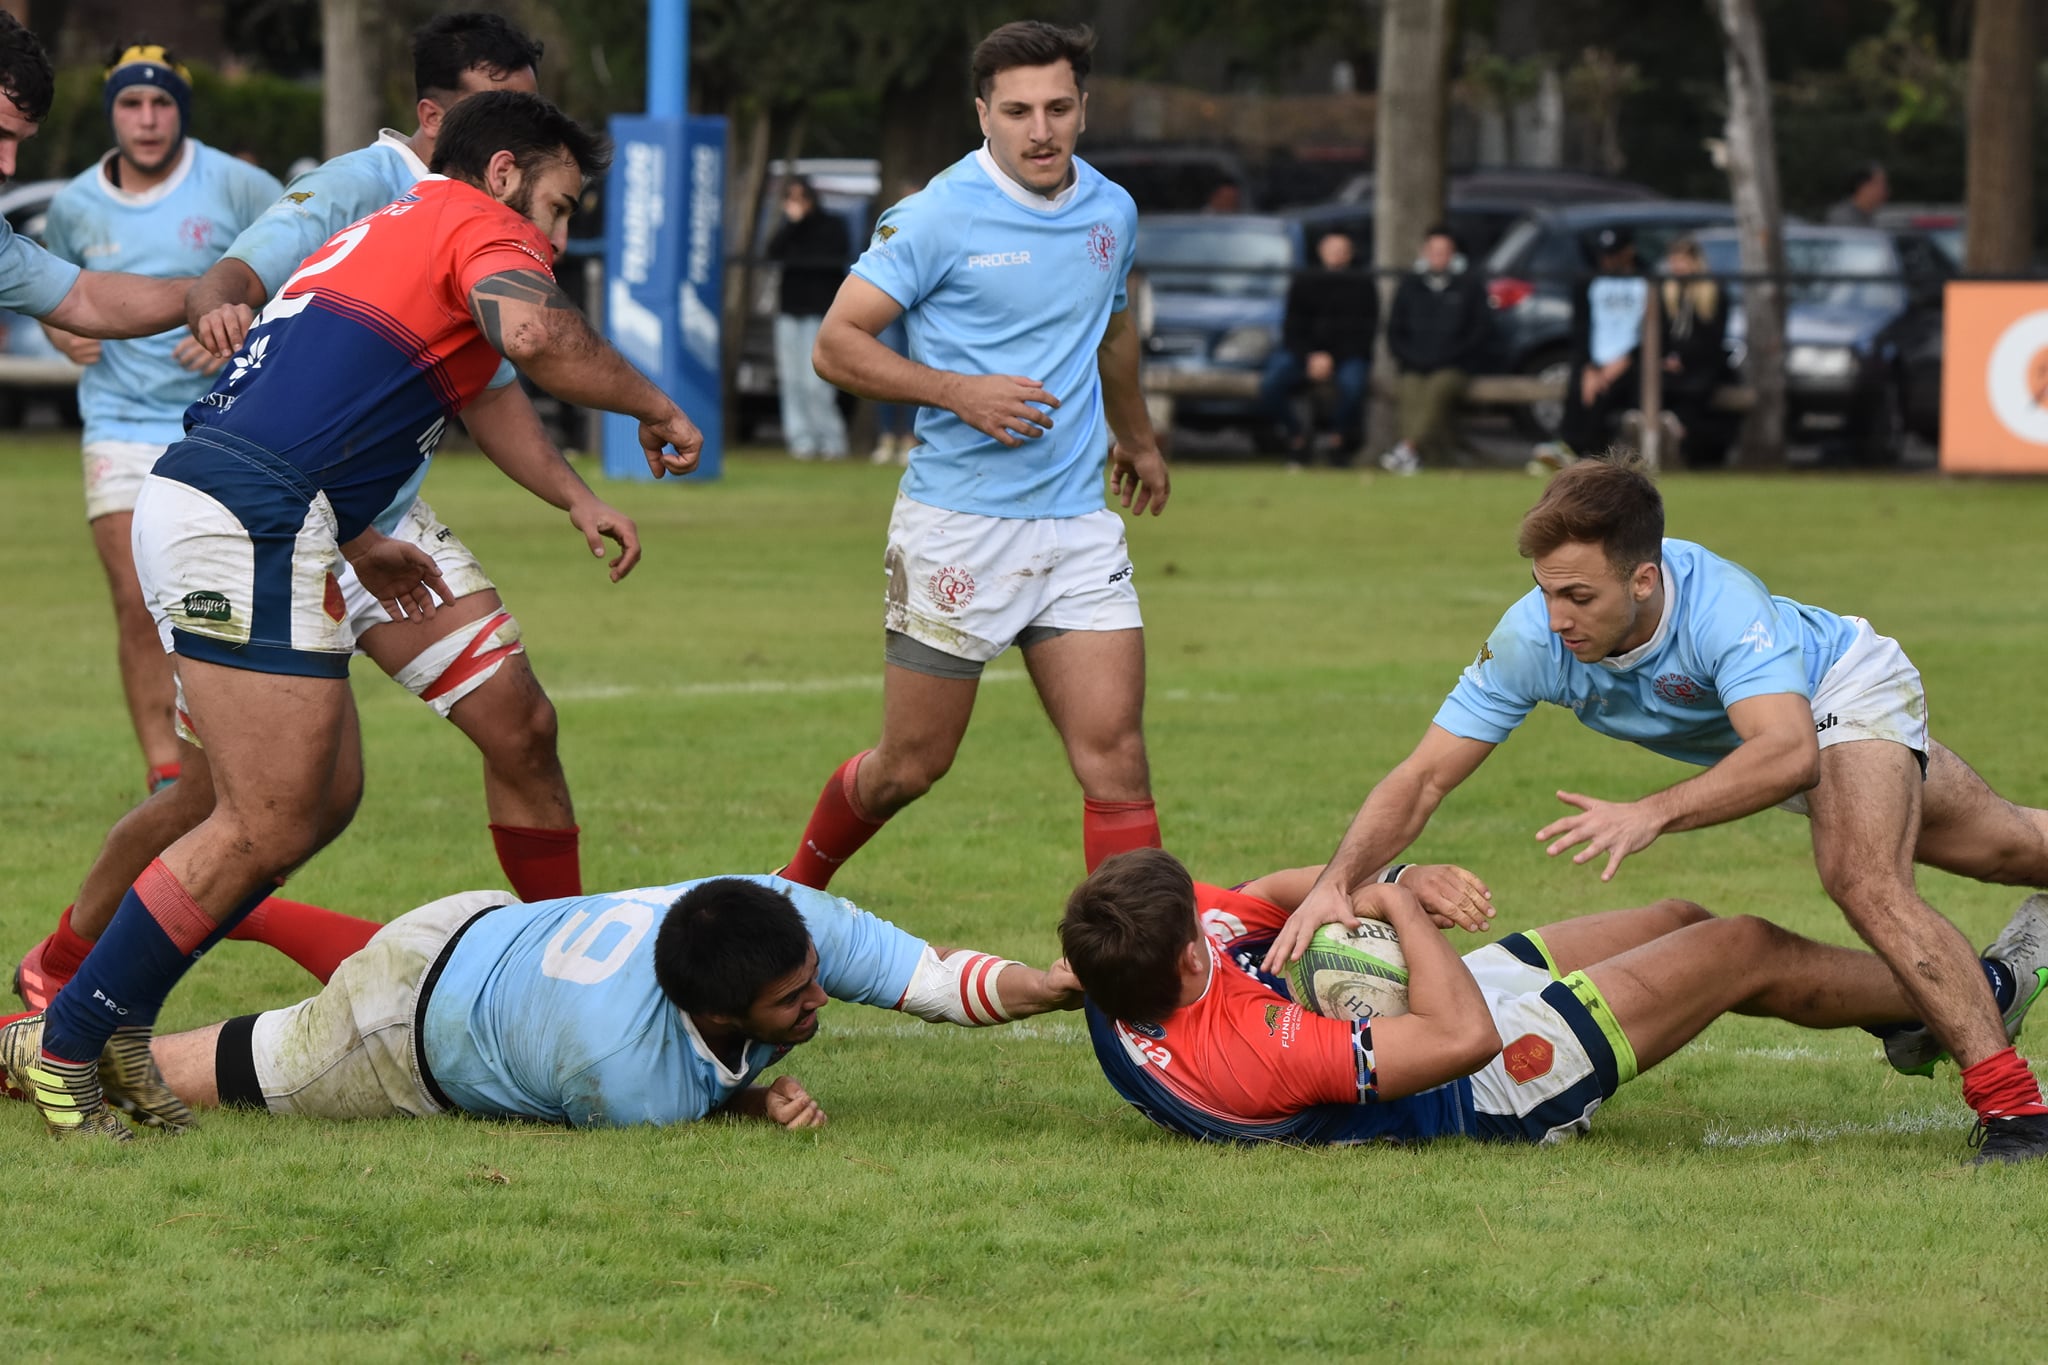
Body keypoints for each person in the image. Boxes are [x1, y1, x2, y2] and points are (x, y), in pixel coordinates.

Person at [7, 90, 704, 1144]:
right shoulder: (472, 219)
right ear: (506, 171)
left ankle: (105, 1025)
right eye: (559, 208)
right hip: (247, 515)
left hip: (265, 503)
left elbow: (320, 388)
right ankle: (67, 1035)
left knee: (320, 798)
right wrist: (657, 403)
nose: (554, 239)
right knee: (261, 815)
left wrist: (354, 521)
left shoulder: (388, 230)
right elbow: (535, 334)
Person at [1264, 457, 2048, 1163]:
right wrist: (1341, 878)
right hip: (1779, 738)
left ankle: (2017, 1112)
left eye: (1579, 595)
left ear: (1643, 580)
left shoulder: (1719, 609)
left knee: (1862, 877)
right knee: (2005, 846)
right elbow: (1424, 776)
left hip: (1839, 689)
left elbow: (1788, 752)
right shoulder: (1532, 640)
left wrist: (1652, 812)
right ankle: (1940, 1003)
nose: (1557, 618)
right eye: (1544, 592)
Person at [780, 20, 1169, 891]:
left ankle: (1132, 985)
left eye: (1059, 108)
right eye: (1020, 110)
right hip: (959, 528)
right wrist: (959, 390)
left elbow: (1112, 329)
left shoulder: (1111, 209)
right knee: (910, 767)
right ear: (983, 113)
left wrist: (1136, 436)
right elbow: (837, 345)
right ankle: (793, 887)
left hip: (1075, 529)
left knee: (1116, 762)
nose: (1042, 129)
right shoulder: (936, 216)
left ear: (1082, 108)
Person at [1060, 849, 2048, 1163]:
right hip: (1481, 1079)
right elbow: (1457, 1039)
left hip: (1417, 1004)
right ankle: (1976, 998)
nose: (1209, 913)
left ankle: (1909, 1013)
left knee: (1676, 916)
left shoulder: (1122, 962)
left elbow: (1280, 897)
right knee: (1738, 946)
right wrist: (1399, 906)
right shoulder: (1253, 1050)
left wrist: (1377, 874)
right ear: (1193, 970)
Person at [0, 875, 1080, 1133]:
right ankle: (25, 1049)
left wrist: (1050, 986)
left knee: (352, 969)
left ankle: (259, 912)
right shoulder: (627, 1076)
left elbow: (932, 981)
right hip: (398, 1032)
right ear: (711, 1010)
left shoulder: (783, 914)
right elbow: (699, 1099)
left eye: (813, 980)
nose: (819, 1001)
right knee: (188, 1071)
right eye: (794, 1001)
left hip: (471, 927)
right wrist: (752, 1105)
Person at [39, 44, 283, 795]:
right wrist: (62, 333)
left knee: (215, 603)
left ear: (182, 109)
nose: (147, 120)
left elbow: (309, 268)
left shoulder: (239, 186)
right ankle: (167, 776)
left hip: (219, 423)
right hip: (116, 422)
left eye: (162, 103)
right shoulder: (76, 204)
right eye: (130, 104)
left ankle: (234, 760)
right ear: (112, 113)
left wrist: (239, 325)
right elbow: (52, 295)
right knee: (133, 599)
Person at [0, 17, 202, 355]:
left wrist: (221, 290)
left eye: (21, 142)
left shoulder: (242, 184)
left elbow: (84, 298)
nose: (9, 165)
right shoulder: (77, 197)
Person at [1380, 223, 1492, 476]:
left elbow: (1479, 331)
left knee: (1438, 389)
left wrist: (1447, 356)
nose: (1438, 257)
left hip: (1454, 365)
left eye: (1444, 251)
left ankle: (1407, 449)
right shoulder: (1410, 285)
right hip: (1415, 364)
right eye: (1434, 251)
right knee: (1409, 390)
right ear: (1424, 252)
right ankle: (1415, 454)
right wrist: (1413, 357)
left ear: (1453, 254)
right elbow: (1394, 332)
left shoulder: (1469, 285)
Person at [1257, 229, 1375, 466]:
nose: (1336, 255)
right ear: (1321, 251)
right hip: (1304, 354)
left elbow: (1365, 332)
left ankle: (1337, 437)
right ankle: (1297, 435)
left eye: (1342, 250)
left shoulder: (1362, 285)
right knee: (1270, 384)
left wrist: (1332, 357)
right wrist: (1311, 356)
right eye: (1332, 249)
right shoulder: (1303, 282)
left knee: (1354, 385)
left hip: (1346, 355)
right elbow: (1292, 328)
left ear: (1350, 254)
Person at [1540, 225, 1645, 468]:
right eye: (1605, 254)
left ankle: (1586, 456)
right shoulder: (1590, 282)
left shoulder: (1646, 281)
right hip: (1595, 360)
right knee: (1580, 387)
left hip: (1630, 361)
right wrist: (1589, 367)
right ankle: (1570, 448)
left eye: (1614, 254)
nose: (1608, 260)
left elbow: (1653, 332)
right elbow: (1581, 330)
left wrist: (1626, 359)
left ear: (1628, 252)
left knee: (1606, 395)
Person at [765, 175, 851, 461]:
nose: (796, 204)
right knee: (792, 381)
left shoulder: (832, 225)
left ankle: (831, 441)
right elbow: (771, 252)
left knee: (817, 382)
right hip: (789, 312)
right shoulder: (790, 229)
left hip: (819, 312)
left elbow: (833, 258)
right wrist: (792, 224)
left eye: (800, 197)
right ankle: (800, 441)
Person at [1654, 236, 1731, 468]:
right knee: (1654, 382)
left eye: (1683, 261)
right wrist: (1666, 358)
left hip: (1701, 364)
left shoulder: (1713, 293)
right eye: (1674, 261)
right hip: (1670, 363)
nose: (1678, 267)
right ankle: (1663, 433)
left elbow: (1713, 338)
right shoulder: (1665, 292)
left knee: (1696, 388)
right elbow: (1659, 334)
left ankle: (1678, 438)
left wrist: (1683, 358)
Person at [1825, 162, 1887, 228]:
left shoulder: (1870, 216)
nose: (1885, 190)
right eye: (1879, 185)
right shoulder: (1841, 217)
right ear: (1862, 186)